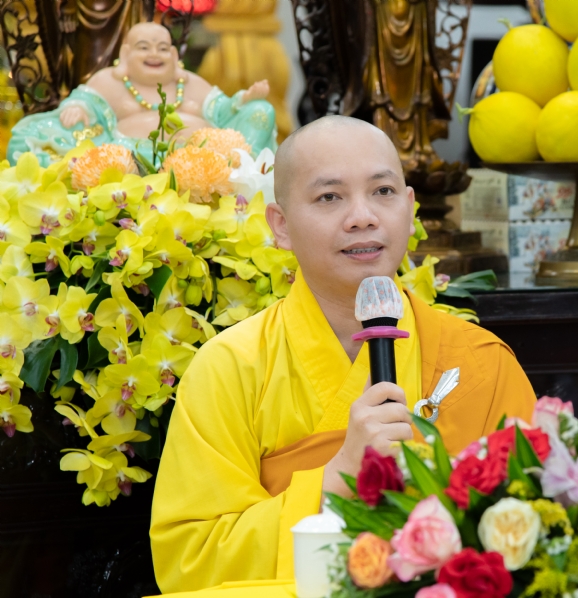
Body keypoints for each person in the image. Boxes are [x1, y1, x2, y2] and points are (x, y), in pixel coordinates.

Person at [149, 115, 536, 593]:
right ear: (281, 225)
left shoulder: (480, 362)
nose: (363, 217)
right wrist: (338, 474)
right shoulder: (229, 368)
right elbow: (191, 560)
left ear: (410, 209)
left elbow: (532, 525)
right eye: (329, 197)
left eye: (383, 192)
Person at [7, 22, 276, 166]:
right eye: (144, 47)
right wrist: (78, 107)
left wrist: (245, 100)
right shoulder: (110, 82)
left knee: (262, 111)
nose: (154, 54)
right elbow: (85, 99)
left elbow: (223, 112)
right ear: (125, 55)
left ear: (173, 55)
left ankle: (243, 175)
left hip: (209, 162)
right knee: (35, 138)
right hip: (131, 157)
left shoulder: (190, 83)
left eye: (161, 48)